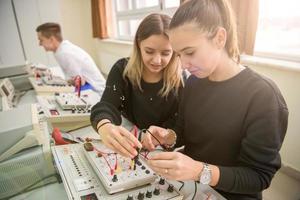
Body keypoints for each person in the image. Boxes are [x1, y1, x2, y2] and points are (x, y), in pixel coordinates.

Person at [141, 0, 289, 199]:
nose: (183, 64)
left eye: (190, 52)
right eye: (178, 55)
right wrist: (169, 136)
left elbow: (258, 176)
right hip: (192, 189)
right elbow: (184, 132)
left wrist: (199, 171)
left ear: (220, 38)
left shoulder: (262, 96)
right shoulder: (194, 83)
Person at [90, 13, 184, 158]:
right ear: (138, 45)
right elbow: (107, 106)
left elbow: (182, 126)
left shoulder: (181, 79)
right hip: (132, 141)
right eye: (149, 51)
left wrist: (167, 137)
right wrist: (104, 125)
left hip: (163, 152)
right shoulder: (122, 70)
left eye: (166, 53)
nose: (157, 60)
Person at [36, 22, 106, 93]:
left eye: (41, 40)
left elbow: (78, 83)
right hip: (92, 88)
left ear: (51, 39)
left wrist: (54, 80)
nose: (39, 44)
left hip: (98, 93)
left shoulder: (65, 53)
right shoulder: (61, 49)